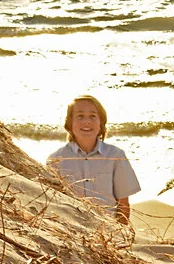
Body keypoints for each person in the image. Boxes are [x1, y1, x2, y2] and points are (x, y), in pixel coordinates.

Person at [47, 95, 141, 226]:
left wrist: (120, 233)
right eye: (80, 116)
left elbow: (123, 204)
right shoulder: (56, 160)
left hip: (107, 230)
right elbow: (53, 204)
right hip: (72, 229)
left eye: (93, 116)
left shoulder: (115, 156)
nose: (86, 121)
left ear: (101, 123)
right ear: (69, 123)